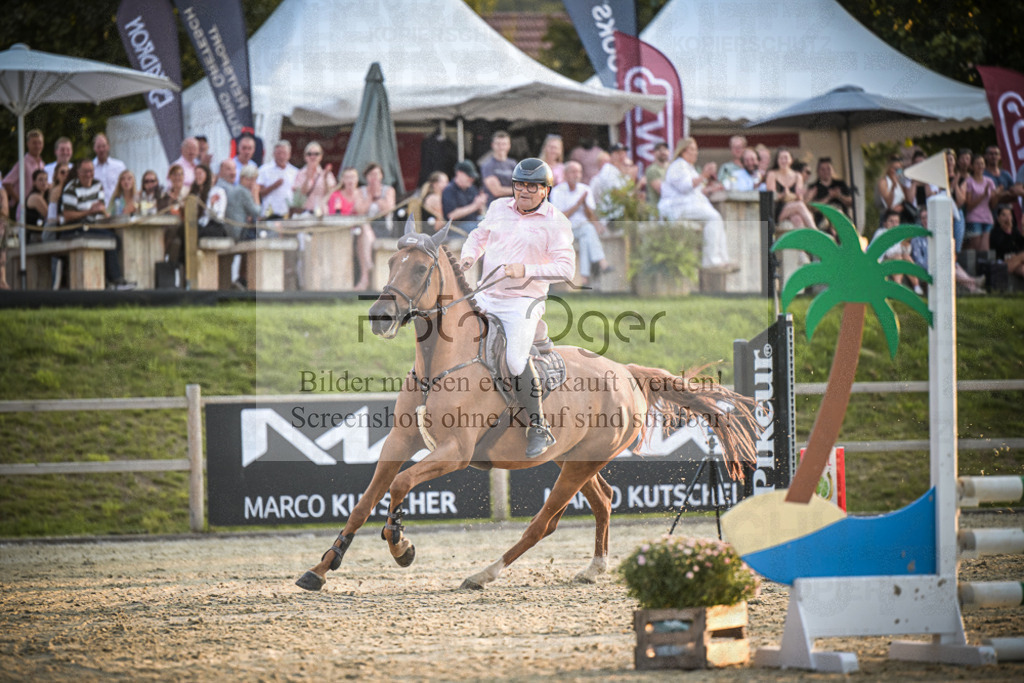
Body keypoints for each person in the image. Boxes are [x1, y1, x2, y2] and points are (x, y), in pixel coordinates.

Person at [458, 158, 574, 457]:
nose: (523, 191)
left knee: (514, 360)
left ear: (545, 191)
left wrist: (524, 269)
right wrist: (469, 256)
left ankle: (538, 426)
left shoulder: (556, 222)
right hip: (486, 295)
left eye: (531, 186)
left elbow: (566, 269)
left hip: (523, 303)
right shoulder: (499, 207)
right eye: (520, 184)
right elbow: (478, 235)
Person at [657, 137, 733, 270]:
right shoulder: (678, 165)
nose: (696, 153)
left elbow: (697, 190)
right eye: (692, 149)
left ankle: (721, 258)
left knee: (715, 218)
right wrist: (704, 174)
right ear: (683, 151)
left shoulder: (689, 167)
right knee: (714, 217)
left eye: (696, 150)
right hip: (675, 208)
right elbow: (685, 186)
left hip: (686, 206)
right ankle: (712, 260)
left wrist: (712, 188)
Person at [60, 158, 134, 289]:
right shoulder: (71, 188)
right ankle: (115, 280)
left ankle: (110, 278)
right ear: (78, 172)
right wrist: (88, 212)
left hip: (91, 225)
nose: (89, 174)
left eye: (91, 171)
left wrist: (101, 211)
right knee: (110, 239)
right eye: (85, 171)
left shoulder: (97, 185)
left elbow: (99, 210)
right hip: (74, 227)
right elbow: (67, 216)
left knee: (116, 238)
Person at [549, 160, 610, 285]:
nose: (576, 175)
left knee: (586, 237)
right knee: (588, 231)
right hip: (565, 230)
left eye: (579, 172)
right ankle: (602, 262)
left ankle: (584, 278)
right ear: (565, 174)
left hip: (582, 228)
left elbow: (591, 215)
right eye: (573, 172)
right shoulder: (557, 191)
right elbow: (560, 218)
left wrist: (585, 204)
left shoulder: (585, 189)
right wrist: (577, 204)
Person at [327, 167, 372, 289]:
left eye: (353, 177)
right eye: (347, 177)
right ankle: (367, 265)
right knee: (364, 230)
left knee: (364, 230)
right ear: (342, 180)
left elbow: (363, 212)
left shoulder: (362, 195)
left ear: (357, 179)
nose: (350, 181)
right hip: (341, 232)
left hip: (359, 233)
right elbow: (333, 218)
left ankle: (364, 278)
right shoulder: (336, 196)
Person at [870, 209, 923, 294]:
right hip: (877, 262)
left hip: (892, 259)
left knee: (906, 256)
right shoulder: (881, 233)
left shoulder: (898, 234)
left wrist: (906, 245)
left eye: (896, 222)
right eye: (891, 221)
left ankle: (916, 285)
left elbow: (906, 252)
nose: (894, 224)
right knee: (898, 257)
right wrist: (901, 246)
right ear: (885, 223)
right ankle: (898, 286)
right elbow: (888, 252)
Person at [2, 128, 46, 220]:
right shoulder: (23, 163)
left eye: (40, 143)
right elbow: (6, 183)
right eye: (34, 143)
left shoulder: (42, 163)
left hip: (39, 207)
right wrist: (20, 201)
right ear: (28, 144)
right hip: (25, 211)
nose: (37, 146)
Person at [766, 148, 815, 228]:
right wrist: (783, 195)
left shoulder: (797, 176)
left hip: (792, 208)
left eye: (786, 158)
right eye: (781, 158)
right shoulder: (772, 174)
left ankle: (804, 240)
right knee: (799, 205)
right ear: (777, 160)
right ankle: (815, 231)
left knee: (797, 219)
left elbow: (799, 198)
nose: (783, 160)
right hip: (777, 210)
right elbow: (772, 196)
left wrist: (797, 195)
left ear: (791, 160)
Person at [590, 143, 641, 220]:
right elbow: (620, 194)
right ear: (611, 155)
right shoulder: (607, 171)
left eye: (623, 152)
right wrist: (635, 180)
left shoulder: (621, 171)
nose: (621, 155)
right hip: (611, 215)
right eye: (618, 153)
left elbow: (630, 193)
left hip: (623, 213)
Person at [442, 160, 488, 236]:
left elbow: (479, 212)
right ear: (459, 173)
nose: (472, 179)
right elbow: (452, 215)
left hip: (474, 222)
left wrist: (481, 205)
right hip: (457, 228)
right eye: (469, 176)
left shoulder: (472, 189)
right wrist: (475, 206)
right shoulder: (449, 190)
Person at [257, 140, 299, 219]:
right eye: (279, 153)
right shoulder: (264, 170)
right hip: (269, 213)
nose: (281, 156)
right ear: (273, 154)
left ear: (289, 155)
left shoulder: (295, 172)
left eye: (284, 153)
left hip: (287, 214)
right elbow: (259, 193)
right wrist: (274, 186)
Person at [963, 151, 997, 251]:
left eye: (982, 163)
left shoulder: (989, 181)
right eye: (977, 163)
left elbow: (992, 204)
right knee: (976, 249)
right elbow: (968, 206)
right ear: (972, 166)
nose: (980, 166)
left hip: (987, 218)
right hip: (974, 218)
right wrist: (983, 196)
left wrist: (997, 195)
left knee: (985, 250)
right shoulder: (969, 181)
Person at [808, 156, 852, 230]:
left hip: (842, 221)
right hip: (822, 223)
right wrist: (829, 197)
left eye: (828, 168)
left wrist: (839, 196)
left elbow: (850, 202)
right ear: (818, 171)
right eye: (823, 169)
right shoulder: (814, 187)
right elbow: (812, 207)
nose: (826, 172)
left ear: (832, 170)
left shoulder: (840, 184)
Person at [292, 141, 335, 215]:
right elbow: (300, 195)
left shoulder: (327, 174)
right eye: (309, 154)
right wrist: (307, 178)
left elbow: (330, 196)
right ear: (305, 157)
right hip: (304, 213)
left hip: (321, 213)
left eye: (316, 154)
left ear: (321, 157)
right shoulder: (300, 174)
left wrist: (325, 179)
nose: (313, 156)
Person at [359, 162, 396, 238]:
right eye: (371, 174)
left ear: (381, 176)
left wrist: (377, 196)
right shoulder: (360, 191)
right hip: (365, 225)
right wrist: (369, 197)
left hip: (383, 225)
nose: (374, 177)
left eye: (376, 174)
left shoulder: (389, 190)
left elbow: (388, 211)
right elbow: (360, 211)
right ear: (366, 177)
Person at [480, 130, 516, 205]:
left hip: (512, 206)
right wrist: (519, 190)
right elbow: (496, 191)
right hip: (494, 207)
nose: (501, 147)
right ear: (492, 145)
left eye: (504, 144)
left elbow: (520, 184)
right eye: (498, 144)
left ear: (509, 145)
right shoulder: (488, 165)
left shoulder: (513, 164)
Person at [991, 204, 1024, 281]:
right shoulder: (995, 232)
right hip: (1001, 264)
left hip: (1016, 263)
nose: (1007, 218)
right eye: (1004, 215)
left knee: (1022, 270)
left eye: (1009, 215)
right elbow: (1002, 246)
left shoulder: (1014, 231)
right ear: (998, 218)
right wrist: (1008, 232)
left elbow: (1021, 244)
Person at [92, 133, 127, 201]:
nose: (101, 149)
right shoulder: (90, 168)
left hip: (116, 208)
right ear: (94, 148)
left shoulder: (119, 166)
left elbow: (127, 187)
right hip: (97, 209)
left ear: (108, 146)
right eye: (98, 147)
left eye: (104, 146)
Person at [644, 142, 671, 206]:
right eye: (659, 149)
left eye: (665, 149)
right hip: (656, 210)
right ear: (654, 153)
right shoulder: (652, 170)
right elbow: (662, 191)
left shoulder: (672, 167)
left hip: (672, 208)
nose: (663, 152)